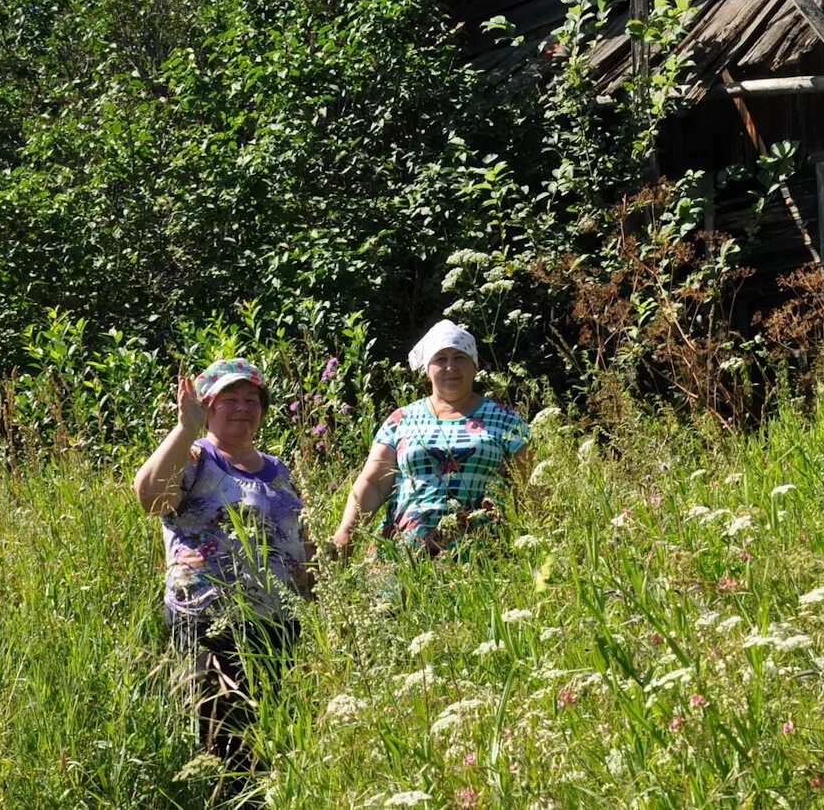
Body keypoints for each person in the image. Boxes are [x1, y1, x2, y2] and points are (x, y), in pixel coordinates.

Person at [133, 358, 311, 777]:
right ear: (207, 408)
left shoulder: (278, 468)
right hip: (213, 621)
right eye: (229, 399)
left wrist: (316, 598)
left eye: (252, 399)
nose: (243, 407)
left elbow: (300, 540)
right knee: (224, 739)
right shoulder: (195, 456)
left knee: (276, 732)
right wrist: (185, 429)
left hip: (280, 620)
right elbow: (150, 498)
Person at [332, 320, 532, 557]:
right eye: (440, 359)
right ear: (427, 369)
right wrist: (345, 534)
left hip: (482, 553)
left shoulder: (505, 419)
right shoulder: (401, 419)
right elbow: (374, 482)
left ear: (474, 365)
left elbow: (529, 486)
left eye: (459, 357)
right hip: (404, 553)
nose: (450, 367)